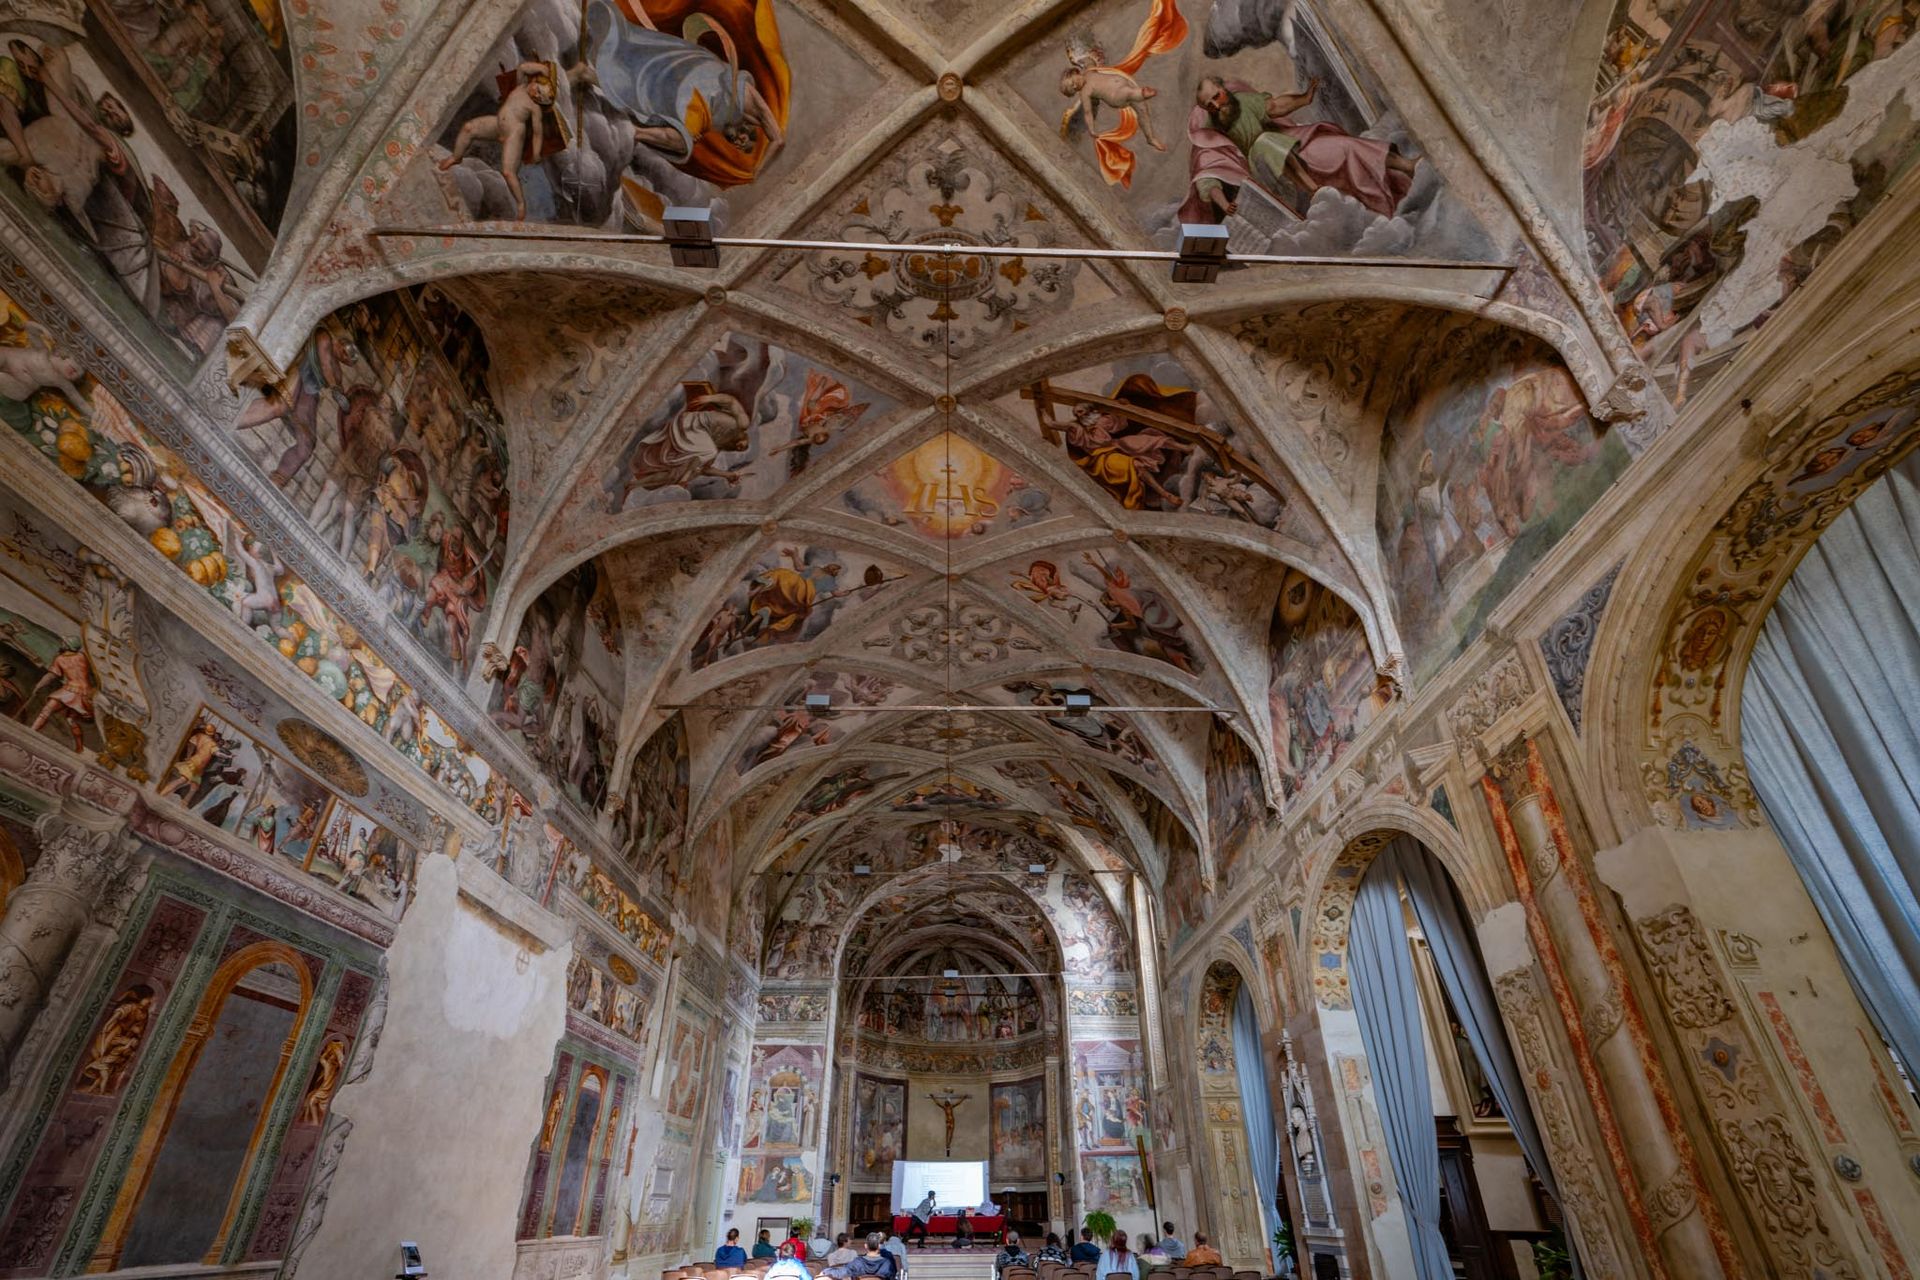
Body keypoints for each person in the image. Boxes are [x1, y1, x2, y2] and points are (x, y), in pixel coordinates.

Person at [825, 1232, 899, 1280]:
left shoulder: (857, 1262)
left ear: (865, 1246)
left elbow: (841, 1272)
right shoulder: (887, 1263)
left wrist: (826, 1271)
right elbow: (893, 1276)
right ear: (879, 1246)